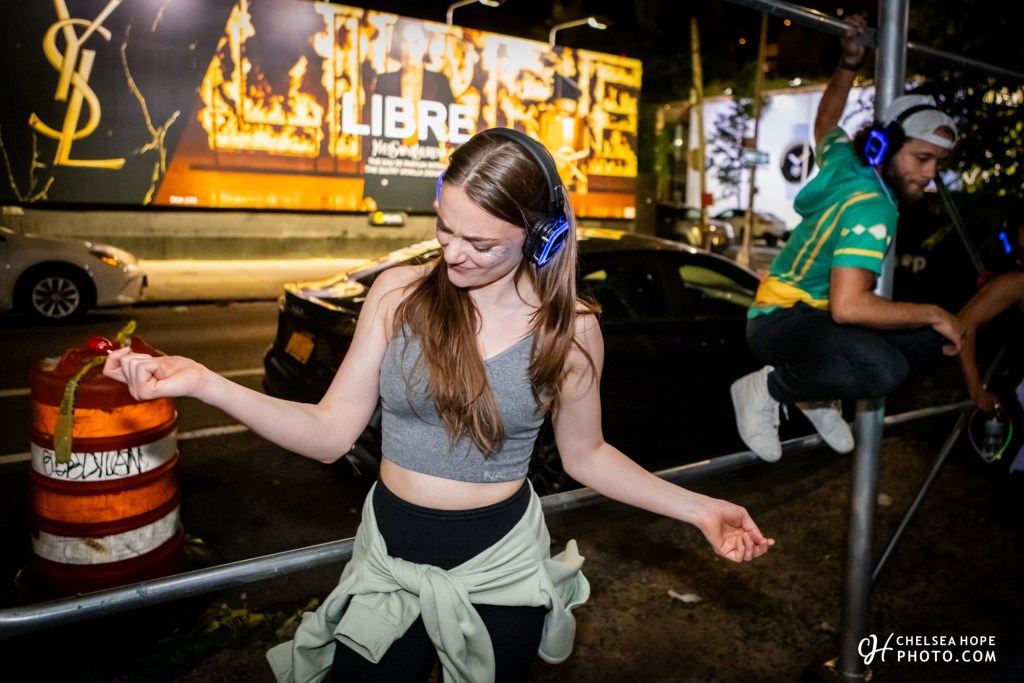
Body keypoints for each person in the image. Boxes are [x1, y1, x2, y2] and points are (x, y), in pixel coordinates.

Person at [103, 127, 774, 682]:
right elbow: (330, 431)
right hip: (389, 562)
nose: (453, 254)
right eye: (445, 229)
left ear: (541, 238)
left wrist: (699, 508)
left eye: (480, 243)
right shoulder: (398, 295)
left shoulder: (572, 331)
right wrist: (204, 383)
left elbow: (587, 454)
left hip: (501, 568)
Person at [730, 13, 967, 462]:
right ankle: (767, 388)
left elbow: (825, 120)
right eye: (922, 158)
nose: (930, 174)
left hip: (804, 316)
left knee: (932, 341)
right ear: (884, 145)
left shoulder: (848, 162)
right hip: (780, 321)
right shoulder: (874, 208)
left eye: (938, 162)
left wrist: (848, 61)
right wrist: (935, 312)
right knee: (885, 368)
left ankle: (817, 397)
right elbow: (849, 306)